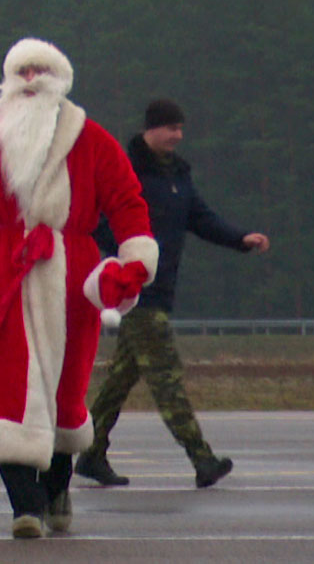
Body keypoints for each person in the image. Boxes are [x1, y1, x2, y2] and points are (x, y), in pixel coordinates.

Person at [0, 35, 157, 538]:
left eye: (39, 71)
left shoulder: (93, 139)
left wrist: (134, 264)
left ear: (59, 80)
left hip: (74, 271)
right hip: (11, 270)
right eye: (20, 72)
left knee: (66, 390)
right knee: (8, 388)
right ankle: (24, 506)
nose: (29, 81)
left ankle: (54, 489)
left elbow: (129, 202)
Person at [75, 100, 270, 489]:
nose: (177, 135)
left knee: (120, 381)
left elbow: (201, 218)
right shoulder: (126, 169)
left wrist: (240, 240)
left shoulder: (178, 176)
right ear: (151, 129)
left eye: (181, 128)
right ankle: (202, 459)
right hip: (136, 291)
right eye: (170, 128)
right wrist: (127, 254)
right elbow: (96, 219)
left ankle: (91, 454)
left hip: (162, 290)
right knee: (167, 379)